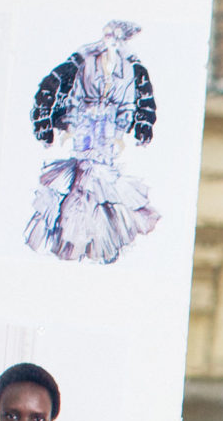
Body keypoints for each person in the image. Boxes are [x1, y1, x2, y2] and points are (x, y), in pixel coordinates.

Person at [25, 21, 159, 264]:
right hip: (85, 126)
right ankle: (72, 237)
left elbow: (127, 105)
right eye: (108, 36)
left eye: (116, 38)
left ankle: (97, 240)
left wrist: (119, 132)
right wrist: (72, 125)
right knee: (80, 178)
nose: (110, 42)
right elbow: (76, 97)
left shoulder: (128, 70)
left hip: (107, 130)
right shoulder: (88, 63)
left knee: (99, 181)